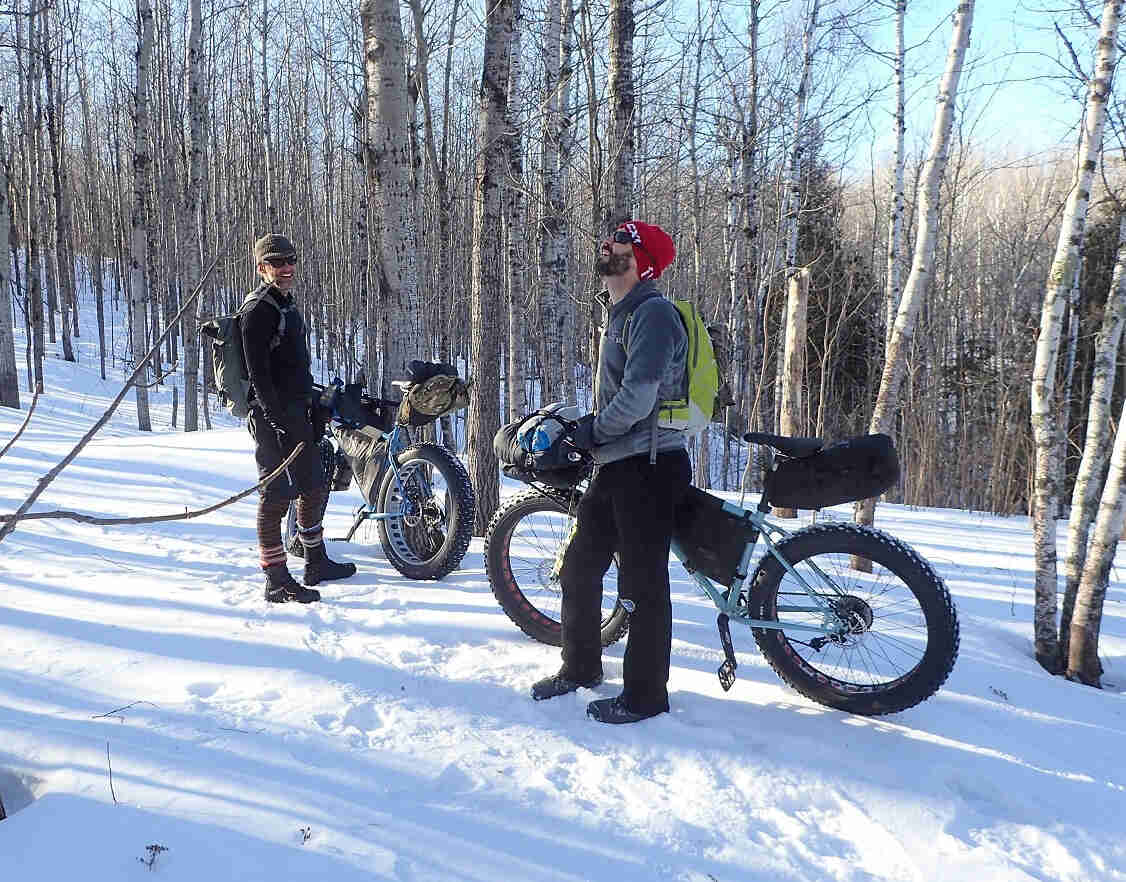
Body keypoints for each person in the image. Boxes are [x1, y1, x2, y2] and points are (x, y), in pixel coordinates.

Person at [530, 219, 691, 724]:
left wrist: (591, 431)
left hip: (650, 465)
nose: (607, 246)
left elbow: (640, 396)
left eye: (621, 242)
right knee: (579, 567)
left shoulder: (653, 313)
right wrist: (593, 435)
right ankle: (580, 667)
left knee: (643, 584)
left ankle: (646, 695)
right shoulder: (618, 314)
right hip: (617, 464)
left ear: (643, 261)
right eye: (607, 240)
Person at [243, 233, 356, 603]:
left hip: (297, 410)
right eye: (276, 262)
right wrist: (276, 419)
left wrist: (314, 405)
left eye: (290, 260)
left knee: (314, 483)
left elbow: (292, 366)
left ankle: (315, 561)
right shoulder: (258, 309)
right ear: (262, 268)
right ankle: (275, 579)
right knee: (274, 496)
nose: (286, 267)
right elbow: (258, 374)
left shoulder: (286, 304)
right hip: (272, 416)